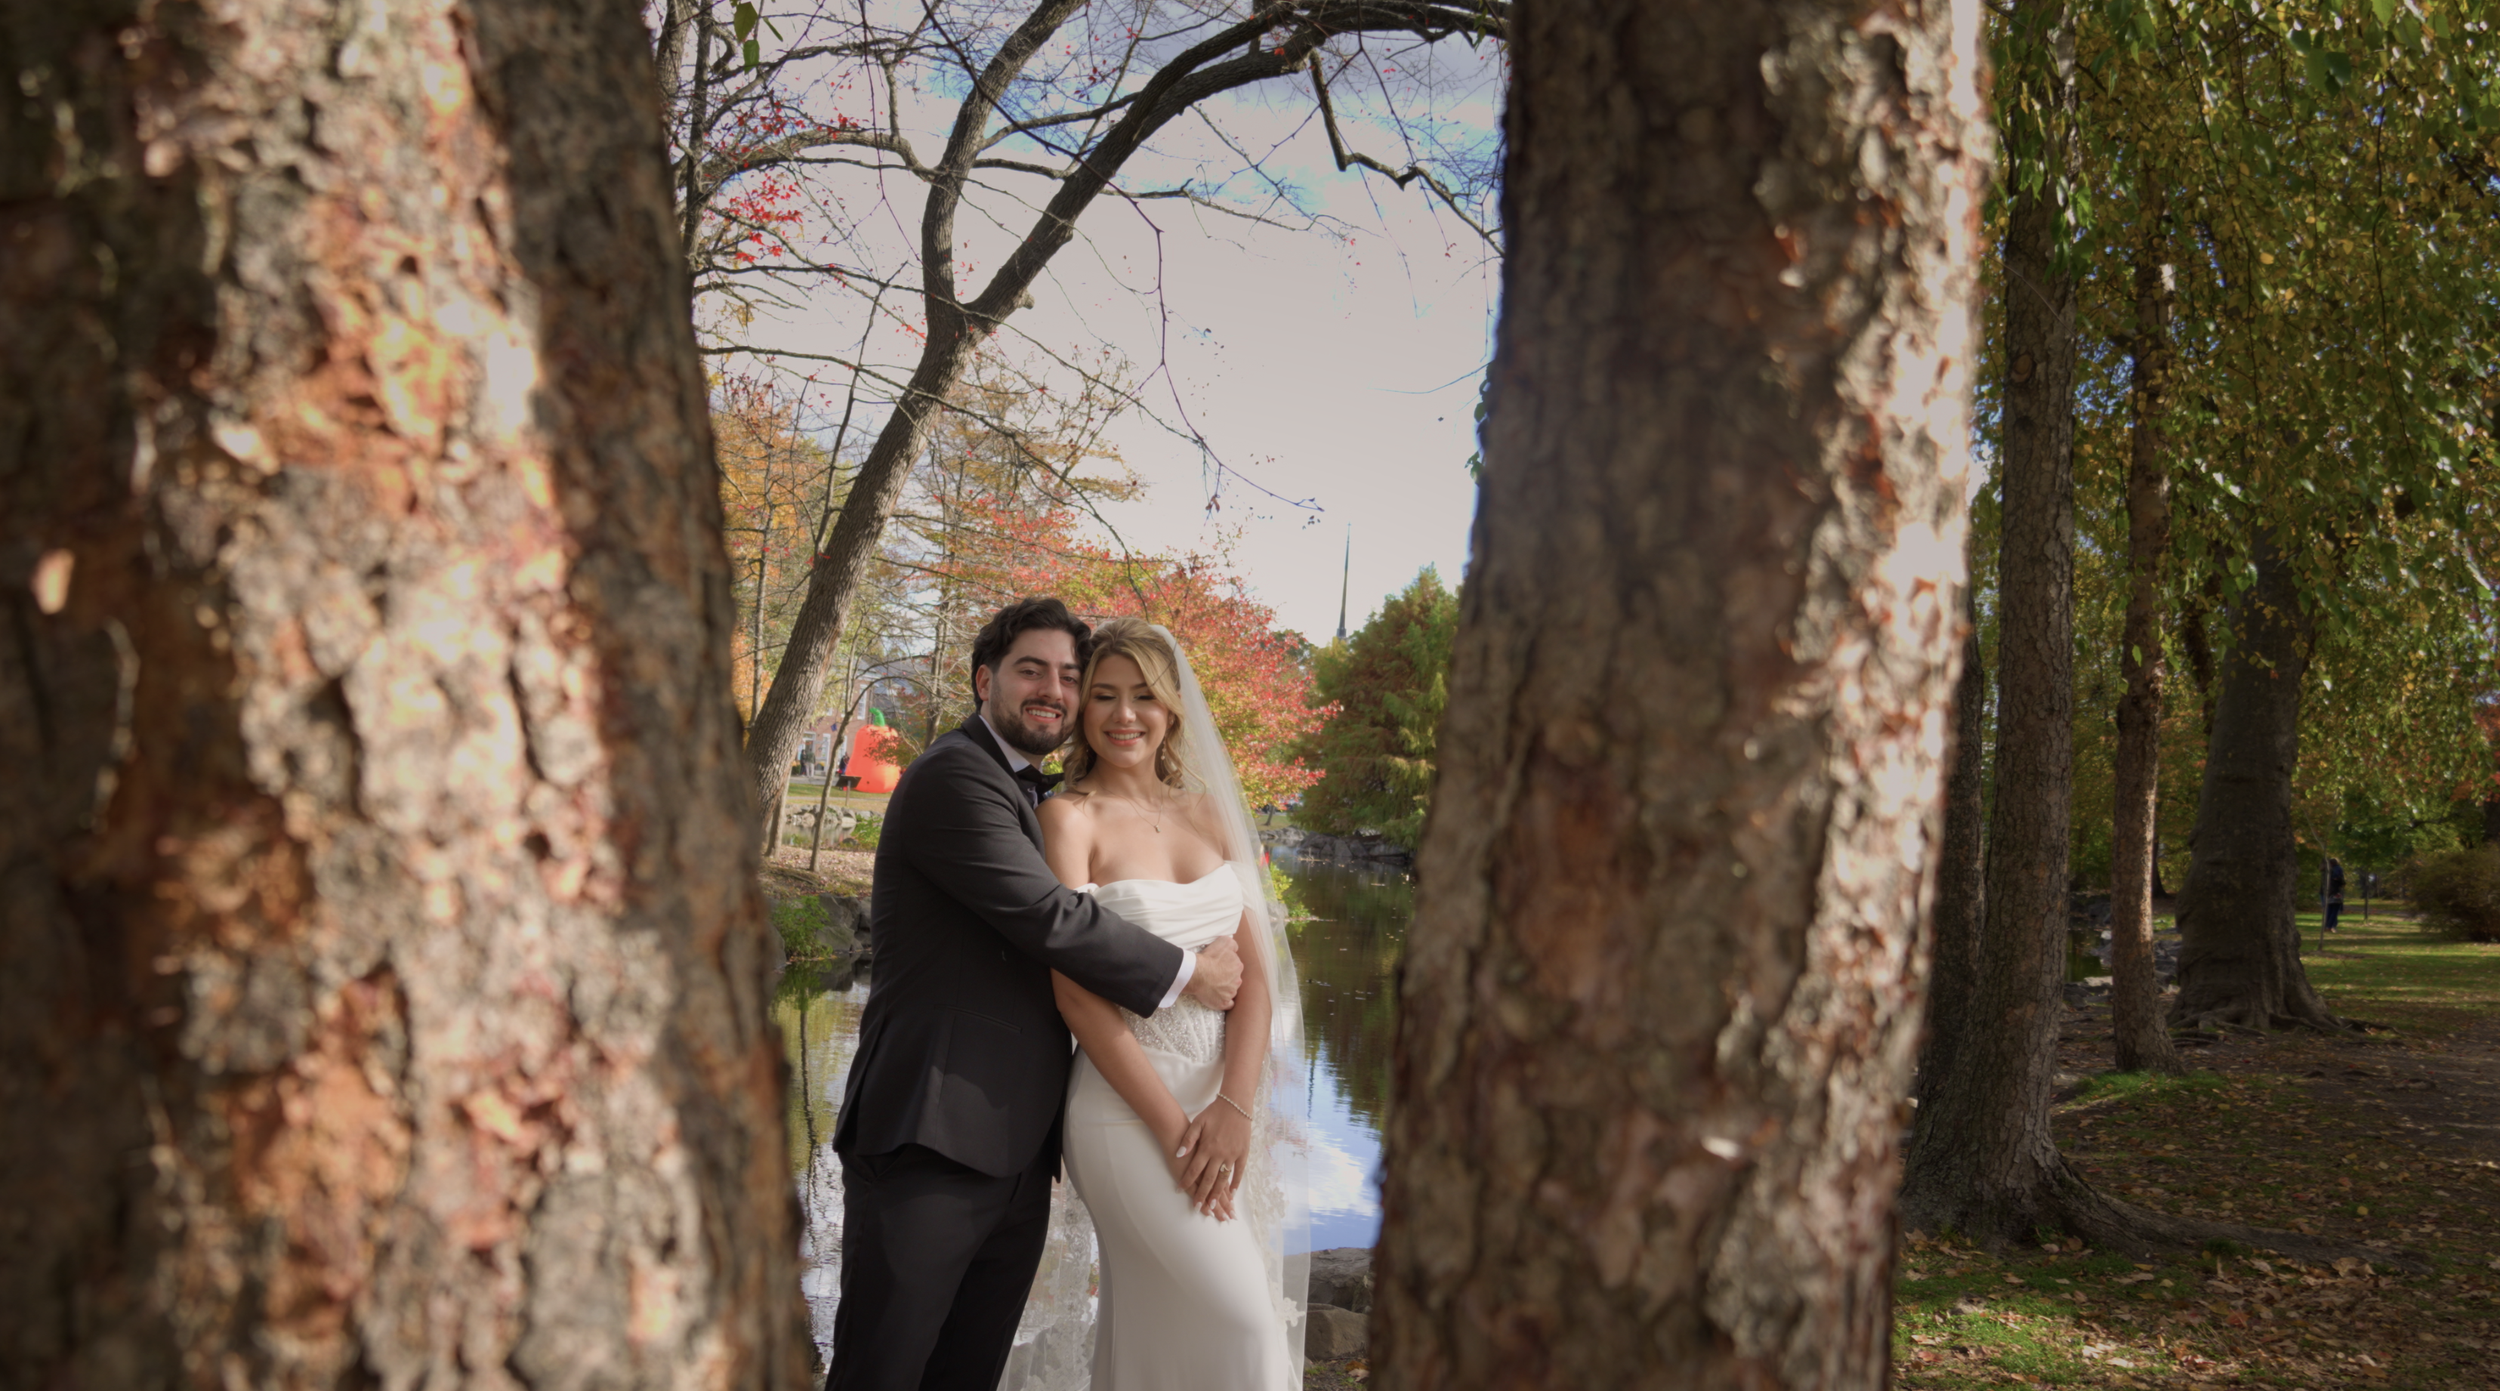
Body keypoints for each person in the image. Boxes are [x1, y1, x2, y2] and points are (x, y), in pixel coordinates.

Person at [824, 598, 1246, 1391]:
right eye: (1031, 670)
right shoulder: (954, 775)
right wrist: (1189, 972)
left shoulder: (1030, 790)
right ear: (985, 678)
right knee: (882, 1370)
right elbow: (1051, 917)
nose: (1053, 689)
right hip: (928, 1138)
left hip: (1017, 1149)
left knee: (965, 1374)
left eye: (1068, 675)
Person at [1036, 618, 1309, 1390]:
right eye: (1104, 696)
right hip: (1128, 1108)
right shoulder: (1069, 819)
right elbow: (1077, 997)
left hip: (1218, 1102)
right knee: (1243, 1321)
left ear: (1174, 709)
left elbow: (1256, 981)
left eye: (1144, 696)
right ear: (1084, 710)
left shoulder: (1211, 815)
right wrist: (1178, 1130)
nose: (1125, 715)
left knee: (1160, 1332)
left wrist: (1235, 1106)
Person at [2324, 857, 2346, 933]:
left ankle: (2326, 925)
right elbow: (2338, 879)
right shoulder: (2337, 869)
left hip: (2329, 892)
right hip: (2336, 892)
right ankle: (2330, 926)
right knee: (2335, 910)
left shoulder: (2328, 871)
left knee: (2329, 909)